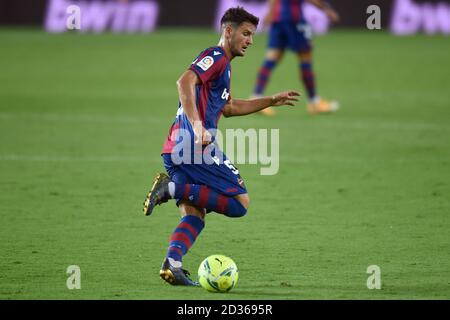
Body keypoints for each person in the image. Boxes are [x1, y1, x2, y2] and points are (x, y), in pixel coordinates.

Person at [143, 7, 300, 286]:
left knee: (195, 214)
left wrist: (270, 100)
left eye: (253, 35)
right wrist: (198, 125)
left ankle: (172, 264)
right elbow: (184, 81)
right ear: (228, 31)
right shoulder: (215, 56)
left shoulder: (224, 68)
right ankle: (169, 188)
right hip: (193, 145)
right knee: (240, 203)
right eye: (246, 33)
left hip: (176, 148)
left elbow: (228, 107)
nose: (250, 40)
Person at [253, 0, 339, 116]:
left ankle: (256, 98)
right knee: (305, 59)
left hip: (278, 20)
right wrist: (326, 10)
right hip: (294, 19)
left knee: (271, 60)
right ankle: (314, 102)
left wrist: (270, 14)